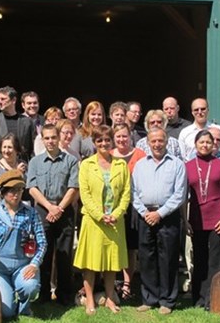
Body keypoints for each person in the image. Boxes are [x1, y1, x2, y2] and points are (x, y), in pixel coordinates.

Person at [73, 125, 130, 315]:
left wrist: (117, 213)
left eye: (107, 140)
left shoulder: (121, 165)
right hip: (93, 221)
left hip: (115, 221)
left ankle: (109, 298)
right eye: (100, 140)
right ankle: (89, 299)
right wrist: (99, 215)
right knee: (91, 263)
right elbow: (85, 194)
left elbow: (126, 193)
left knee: (111, 263)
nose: (104, 143)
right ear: (94, 142)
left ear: (112, 141)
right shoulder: (86, 165)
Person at [0, 169, 47, 318]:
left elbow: (42, 243)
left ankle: (24, 308)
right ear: (2, 192)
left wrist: (34, 264)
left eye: (19, 190)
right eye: (11, 190)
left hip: (23, 265)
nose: (16, 194)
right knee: (5, 313)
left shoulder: (31, 213)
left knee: (31, 287)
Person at [132, 128, 187, 315]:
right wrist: (145, 212)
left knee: (168, 258)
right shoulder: (140, 165)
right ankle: (149, 298)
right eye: (153, 141)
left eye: (160, 141)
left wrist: (160, 213)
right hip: (145, 215)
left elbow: (180, 194)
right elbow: (133, 193)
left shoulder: (177, 164)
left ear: (166, 142)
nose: (156, 144)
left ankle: (167, 300)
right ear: (148, 143)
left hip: (168, 216)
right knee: (147, 258)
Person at [27, 124, 79, 305]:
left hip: (64, 211)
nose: (50, 141)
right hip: (43, 210)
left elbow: (73, 187)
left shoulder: (71, 161)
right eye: (46, 138)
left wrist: (59, 209)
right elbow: (32, 188)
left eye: (53, 138)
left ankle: (65, 295)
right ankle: (43, 294)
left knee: (65, 254)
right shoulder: (35, 162)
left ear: (59, 138)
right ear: (42, 140)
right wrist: (49, 207)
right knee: (44, 252)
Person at [185, 130, 220, 309]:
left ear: (214, 144)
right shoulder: (188, 166)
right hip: (197, 220)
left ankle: (213, 299)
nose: (205, 145)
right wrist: (185, 220)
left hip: (218, 221)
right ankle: (198, 298)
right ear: (196, 144)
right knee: (199, 260)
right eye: (202, 142)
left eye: (208, 142)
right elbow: (184, 197)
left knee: (216, 261)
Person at [111, 123, 146, 301]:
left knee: (130, 247)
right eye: (118, 136)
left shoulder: (140, 155)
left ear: (130, 136)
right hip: (113, 208)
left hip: (133, 207)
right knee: (113, 244)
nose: (122, 139)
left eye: (124, 136)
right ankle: (111, 283)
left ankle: (127, 283)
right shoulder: (108, 156)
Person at [0, 86, 36, 180]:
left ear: (13, 100)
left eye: (3, 99)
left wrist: (32, 171)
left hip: (23, 172)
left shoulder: (27, 122)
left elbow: (32, 149)